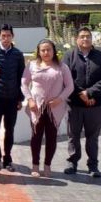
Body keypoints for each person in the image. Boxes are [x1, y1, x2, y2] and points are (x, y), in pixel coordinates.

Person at [61, 27, 101, 177]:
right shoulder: (69, 56)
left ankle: (93, 165)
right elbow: (66, 77)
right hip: (74, 104)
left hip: (94, 105)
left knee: (93, 137)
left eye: (88, 36)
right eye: (82, 36)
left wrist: (89, 93)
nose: (85, 39)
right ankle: (72, 162)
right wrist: (81, 94)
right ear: (77, 39)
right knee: (73, 135)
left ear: (92, 39)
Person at [21, 39, 74, 178]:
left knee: (51, 137)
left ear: (53, 51)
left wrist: (59, 99)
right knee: (36, 137)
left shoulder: (62, 67)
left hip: (55, 108)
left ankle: (47, 165)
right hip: (36, 107)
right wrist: (30, 100)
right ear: (38, 51)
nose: (46, 52)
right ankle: (35, 165)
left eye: (48, 49)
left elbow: (70, 87)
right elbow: (24, 83)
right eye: (43, 50)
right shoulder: (32, 65)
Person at [0, 24, 25, 172]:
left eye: (8, 36)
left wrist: (20, 98)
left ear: (12, 37)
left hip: (12, 99)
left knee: (10, 129)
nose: (5, 38)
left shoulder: (18, 54)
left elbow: (21, 76)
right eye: (3, 36)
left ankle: (7, 158)